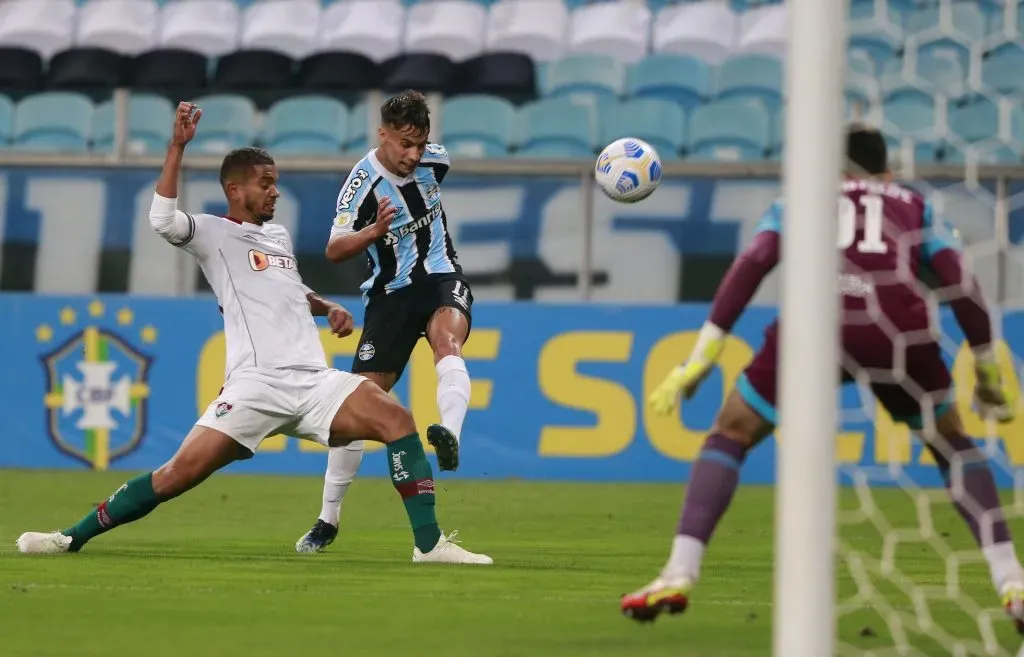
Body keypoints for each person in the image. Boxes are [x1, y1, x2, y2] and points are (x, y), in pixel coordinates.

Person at [15, 101, 492, 566]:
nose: (274, 192)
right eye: (265, 184)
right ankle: (69, 537)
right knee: (174, 476)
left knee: (398, 421)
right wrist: (177, 147)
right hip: (255, 385)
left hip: (311, 381)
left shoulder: (277, 238)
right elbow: (162, 219)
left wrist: (323, 304)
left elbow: (286, 284)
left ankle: (428, 545)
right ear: (234, 188)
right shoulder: (211, 233)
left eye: (275, 184)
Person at [622, 124, 1023, 629]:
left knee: (731, 431)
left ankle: (679, 571)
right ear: (888, 172)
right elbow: (960, 283)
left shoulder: (803, 198)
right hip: (896, 325)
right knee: (952, 445)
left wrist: (703, 353)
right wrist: (987, 363)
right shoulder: (914, 206)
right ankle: (1012, 581)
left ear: (830, 168)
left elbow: (755, 261)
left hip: (817, 321)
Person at [295, 90, 475, 554]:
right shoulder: (360, 184)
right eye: (404, 145)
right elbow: (334, 250)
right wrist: (374, 231)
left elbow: (429, 175)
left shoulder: (437, 162)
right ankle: (326, 520)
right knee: (358, 407)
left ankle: (449, 433)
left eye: (421, 144)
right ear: (383, 134)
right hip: (390, 298)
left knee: (447, 343)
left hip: (440, 278)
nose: (414, 156)